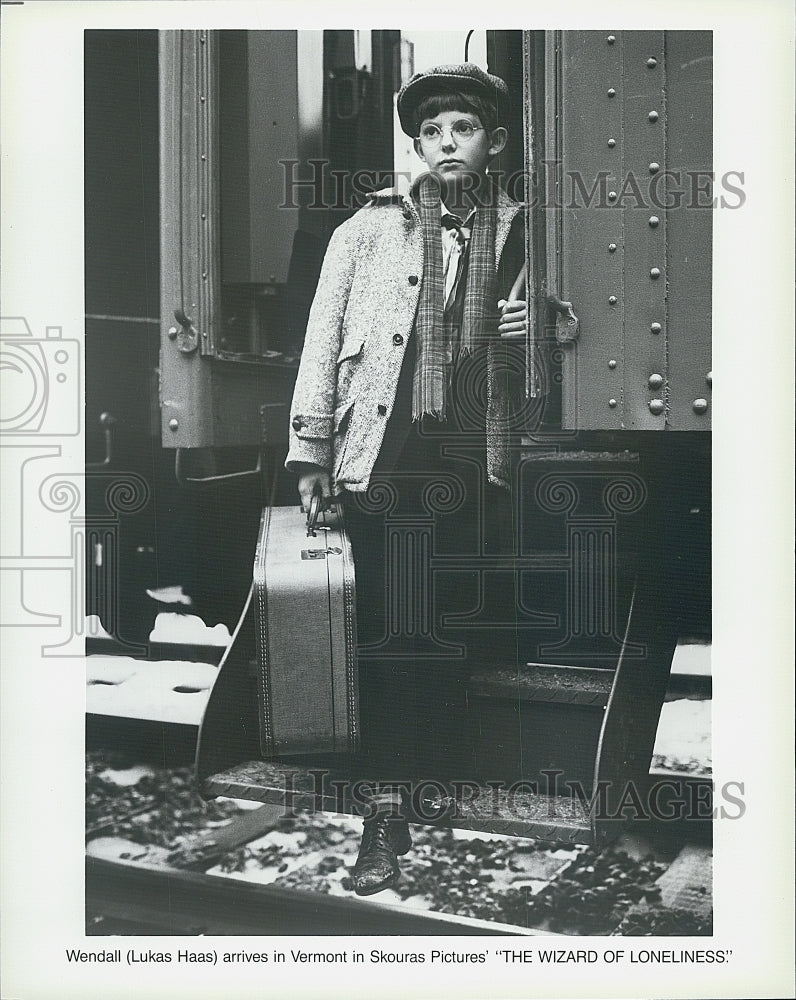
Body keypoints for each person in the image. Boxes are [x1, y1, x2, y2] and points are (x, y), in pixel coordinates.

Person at [285, 63, 527, 895]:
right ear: (417, 145)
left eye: (462, 129)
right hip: (384, 454)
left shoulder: (527, 228)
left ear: (493, 142)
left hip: (473, 459)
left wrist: (550, 323)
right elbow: (322, 342)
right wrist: (312, 453)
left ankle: (429, 779)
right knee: (391, 624)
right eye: (431, 133)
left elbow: (573, 327)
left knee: (446, 622)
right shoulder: (367, 230)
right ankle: (385, 814)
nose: (446, 143)